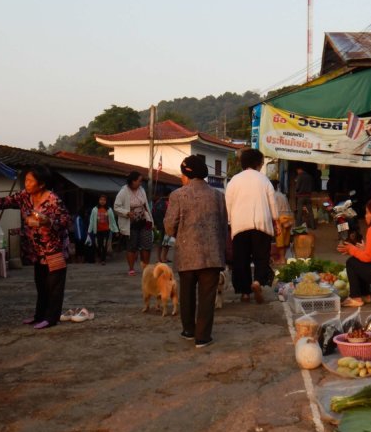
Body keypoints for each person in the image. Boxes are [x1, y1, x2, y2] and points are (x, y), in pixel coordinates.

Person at [0, 165, 71, 329]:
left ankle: (51, 318)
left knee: (54, 287)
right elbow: (6, 201)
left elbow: (67, 221)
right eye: (26, 180)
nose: (27, 184)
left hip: (54, 250)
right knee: (41, 284)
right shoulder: (25, 196)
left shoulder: (53, 200)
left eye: (31, 181)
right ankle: (39, 316)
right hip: (37, 251)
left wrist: (48, 221)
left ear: (41, 184)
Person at [164, 155, 227, 349]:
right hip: (212, 254)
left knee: (187, 293)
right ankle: (203, 336)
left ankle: (189, 330)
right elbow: (223, 225)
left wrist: (181, 234)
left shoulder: (178, 195)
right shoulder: (218, 196)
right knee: (207, 296)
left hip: (187, 253)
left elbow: (168, 227)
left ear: (186, 174)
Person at [225, 148, 278, 303]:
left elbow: (228, 203)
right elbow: (272, 203)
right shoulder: (264, 180)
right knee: (261, 257)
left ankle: (245, 292)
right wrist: (276, 221)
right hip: (261, 225)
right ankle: (257, 282)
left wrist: (229, 222)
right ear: (257, 163)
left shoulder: (234, 180)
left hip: (240, 225)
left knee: (241, 259)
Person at [114, 171, 153, 275]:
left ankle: (146, 268)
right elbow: (116, 207)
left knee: (146, 244)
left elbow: (145, 205)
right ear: (133, 181)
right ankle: (131, 268)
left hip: (144, 220)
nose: (140, 183)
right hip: (131, 223)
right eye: (139, 181)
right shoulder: (123, 191)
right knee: (132, 246)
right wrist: (126, 213)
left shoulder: (142, 190)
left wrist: (150, 219)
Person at [88, 195, 118, 265]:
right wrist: (89, 231)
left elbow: (113, 221)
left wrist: (116, 230)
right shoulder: (94, 209)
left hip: (106, 230)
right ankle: (100, 257)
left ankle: (103, 260)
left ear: (106, 201)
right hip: (97, 231)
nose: (102, 201)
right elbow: (91, 221)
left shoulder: (109, 209)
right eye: (101, 200)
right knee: (98, 245)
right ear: (98, 200)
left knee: (104, 245)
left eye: (104, 200)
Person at [272, 181, 294, 264]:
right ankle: (283, 259)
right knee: (286, 240)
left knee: (280, 240)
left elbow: (273, 211)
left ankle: (281, 259)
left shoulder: (273, 196)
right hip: (288, 217)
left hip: (280, 219)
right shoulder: (281, 195)